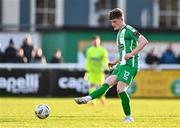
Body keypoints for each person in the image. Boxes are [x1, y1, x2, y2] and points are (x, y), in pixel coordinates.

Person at [74, 8, 148, 122]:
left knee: (120, 90)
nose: (112, 24)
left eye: (114, 21)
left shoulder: (129, 29)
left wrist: (132, 53)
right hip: (121, 65)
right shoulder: (119, 33)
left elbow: (144, 41)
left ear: (121, 19)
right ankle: (87, 98)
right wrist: (115, 61)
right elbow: (123, 52)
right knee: (106, 83)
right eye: (111, 22)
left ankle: (129, 117)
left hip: (130, 65)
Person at [85, 35, 109, 105]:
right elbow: (88, 61)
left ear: (99, 41)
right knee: (92, 85)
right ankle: (92, 100)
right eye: (94, 40)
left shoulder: (103, 50)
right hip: (92, 71)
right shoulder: (89, 50)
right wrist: (87, 70)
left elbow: (105, 60)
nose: (95, 42)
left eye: (97, 40)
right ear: (92, 41)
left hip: (100, 71)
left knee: (102, 86)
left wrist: (107, 69)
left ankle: (102, 97)